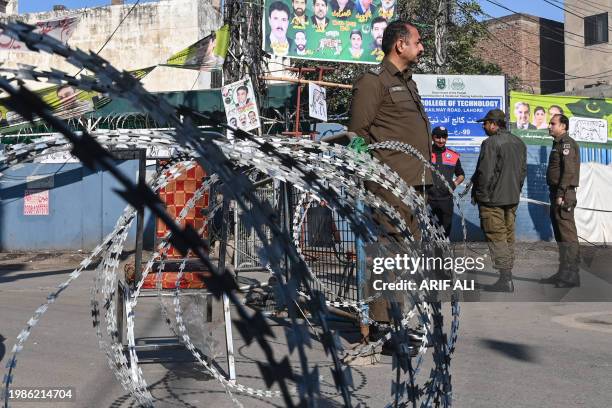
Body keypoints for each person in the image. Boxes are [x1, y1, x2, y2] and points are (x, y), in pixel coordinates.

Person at [349, 20, 432, 325]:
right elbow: (357, 134)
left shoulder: (408, 82)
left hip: (414, 184)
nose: (421, 47)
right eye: (418, 41)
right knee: (389, 255)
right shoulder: (374, 82)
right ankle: (385, 326)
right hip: (389, 186)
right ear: (400, 45)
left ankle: (399, 319)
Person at [472, 108, 527, 292]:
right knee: (508, 236)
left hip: (492, 200)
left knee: (497, 237)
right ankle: (507, 275)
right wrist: (515, 191)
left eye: (486, 123)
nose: (484, 127)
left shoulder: (490, 143)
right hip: (511, 198)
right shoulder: (519, 143)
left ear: (494, 124)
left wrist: (479, 195)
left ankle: (505, 279)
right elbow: (522, 174)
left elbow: (485, 173)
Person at [540, 114, 581, 287]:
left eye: (553, 123)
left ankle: (572, 274)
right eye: (550, 123)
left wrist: (561, 193)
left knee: (567, 235)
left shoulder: (566, 143)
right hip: (556, 192)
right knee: (560, 235)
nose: (549, 126)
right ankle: (563, 272)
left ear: (563, 126)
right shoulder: (557, 144)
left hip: (564, 194)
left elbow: (569, 171)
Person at [427, 126, 464, 237]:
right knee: (429, 232)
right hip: (428, 200)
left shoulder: (453, 156)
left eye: (444, 137)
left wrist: (454, 184)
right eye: (438, 137)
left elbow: (461, 175)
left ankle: (441, 254)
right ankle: (429, 253)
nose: (441, 140)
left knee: (445, 231)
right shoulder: (425, 155)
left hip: (446, 201)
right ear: (433, 138)